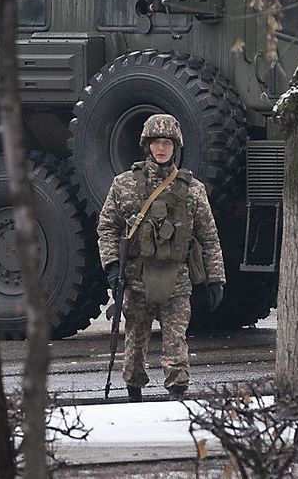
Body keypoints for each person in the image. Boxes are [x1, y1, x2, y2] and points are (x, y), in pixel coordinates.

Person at [96, 113, 226, 401]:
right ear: (147, 145)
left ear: (175, 146)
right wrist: (112, 266)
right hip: (136, 277)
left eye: (167, 142)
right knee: (134, 344)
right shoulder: (124, 184)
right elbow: (107, 227)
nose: (161, 148)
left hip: (176, 279)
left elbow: (209, 237)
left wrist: (215, 278)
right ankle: (134, 395)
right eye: (156, 142)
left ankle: (176, 395)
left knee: (176, 342)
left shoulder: (192, 190)